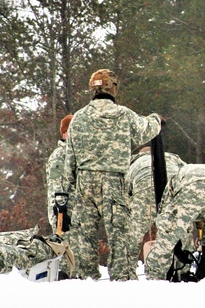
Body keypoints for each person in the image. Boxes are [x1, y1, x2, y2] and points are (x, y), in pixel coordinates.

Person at [63, 69, 162, 281]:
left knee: (85, 236)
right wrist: (155, 119)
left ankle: (87, 278)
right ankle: (121, 278)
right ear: (113, 88)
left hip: (85, 181)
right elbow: (146, 131)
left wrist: (70, 187)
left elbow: (69, 158)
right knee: (119, 234)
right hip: (113, 180)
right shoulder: (123, 114)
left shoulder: (78, 118)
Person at [126, 145, 186, 264]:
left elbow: (125, 192)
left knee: (134, 236)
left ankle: (127, 272)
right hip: (173, 186)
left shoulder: (134, 163)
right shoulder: (172, 158)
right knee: (181, 230)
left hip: (144, 188)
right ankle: (182, 270)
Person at [45, 114, 73, 234]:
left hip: (77, 216)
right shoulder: (59, 156)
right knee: (65, 251)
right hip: (64, 216)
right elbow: (55, 185)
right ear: (65, 133)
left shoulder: (75, 155)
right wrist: (60, 212)